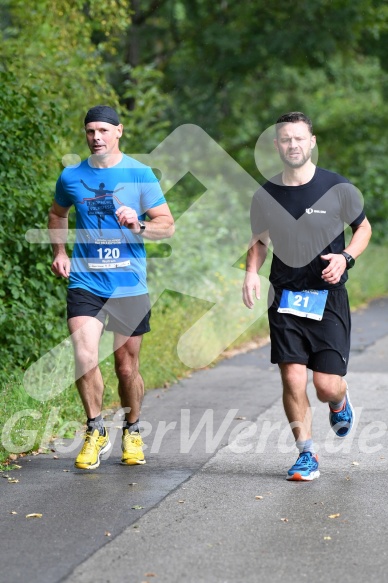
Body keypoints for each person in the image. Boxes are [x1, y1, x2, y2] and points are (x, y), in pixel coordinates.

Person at [242, 111, 372, 481]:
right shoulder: (265, 194)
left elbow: (363, 229)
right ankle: (306, 454)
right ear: (277, 145)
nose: (293, 144)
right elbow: (259, 241)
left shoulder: (338, 188)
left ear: (311, 141)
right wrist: (251, 272)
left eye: (299, 138)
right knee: (292, 379)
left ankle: (340, 400)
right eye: (286, 139)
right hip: (285, 296)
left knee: (325, 385)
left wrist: (346, 257)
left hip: (328, 297)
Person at [49, 105, 174, 470]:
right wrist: (59, 251)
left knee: (126, 366)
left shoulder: (140, 174)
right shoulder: (71, 176)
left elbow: (167, 225)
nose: (96, 137)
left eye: (103, 130)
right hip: (86, 280)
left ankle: (132, 429)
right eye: (90, 131)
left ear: (119, 131)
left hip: (128, 284)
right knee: (84, 354)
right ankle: (94, 429)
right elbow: (58, 213)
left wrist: (138, 225)